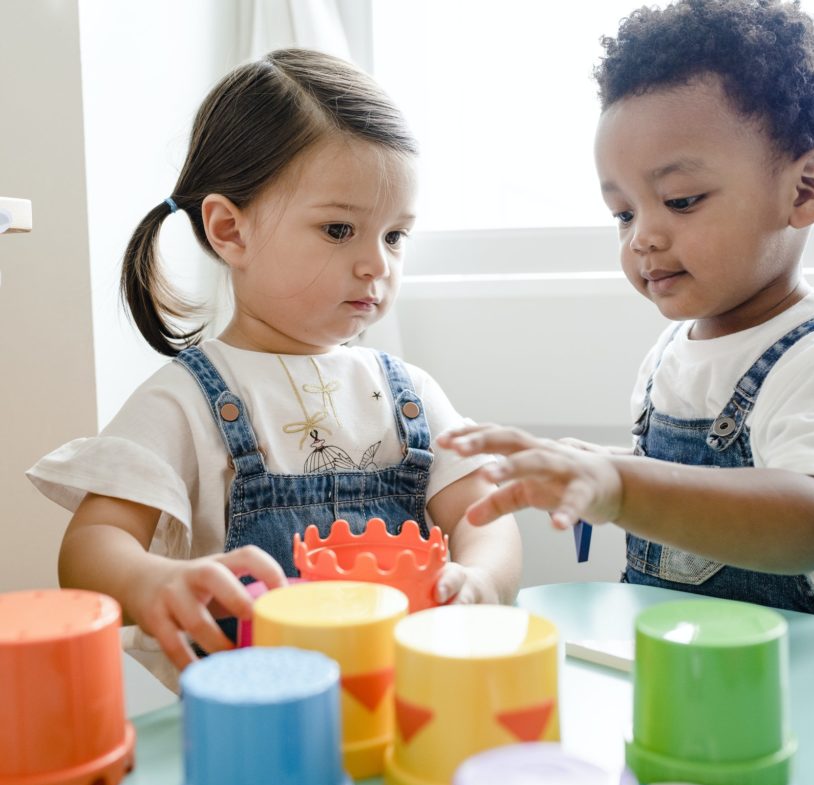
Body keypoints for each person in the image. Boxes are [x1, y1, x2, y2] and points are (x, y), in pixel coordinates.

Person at [27, 48, 521, 690]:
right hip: (254, 718)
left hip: (402, 701)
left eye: (396, 236)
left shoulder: (409, 394)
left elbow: (485, 514)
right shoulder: (187, 400)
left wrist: (482, 580)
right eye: (340, 230)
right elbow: (91, 548)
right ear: (231, 230)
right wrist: (154, 581)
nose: (378, 264)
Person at [439, 0, 814, 624]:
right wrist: (605, 470)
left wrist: (622, 485)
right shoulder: (671, 353)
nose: (642, 237)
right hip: (685, 673)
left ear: (804, 190)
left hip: (805, 687)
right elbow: (690, 490)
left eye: (680, 200)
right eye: (624, 212)